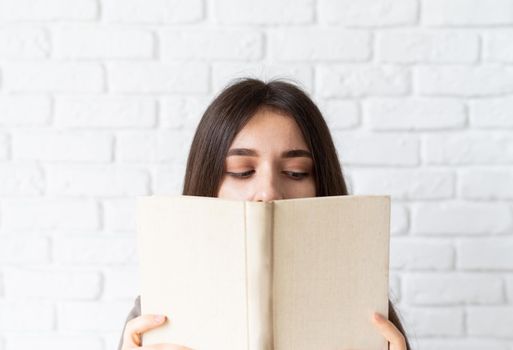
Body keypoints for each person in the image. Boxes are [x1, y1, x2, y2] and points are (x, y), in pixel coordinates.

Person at [118, 78, 411, 350]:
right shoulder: (159, 311)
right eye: (242, 172)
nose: (268, 192)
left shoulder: (365, 310)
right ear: (207, 185)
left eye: (296, 173)